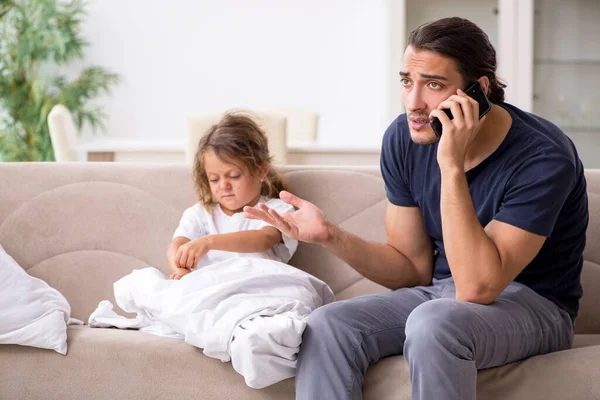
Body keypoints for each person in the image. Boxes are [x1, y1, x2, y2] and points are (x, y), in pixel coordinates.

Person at [244, 17, 589, 400]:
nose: (414, 103)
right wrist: (330, 235)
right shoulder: (403, 139)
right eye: (408, 82)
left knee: (434, 322)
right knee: (327, 323)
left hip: (536, 306)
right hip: (441, 294)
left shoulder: (543, 156)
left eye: (434, 85)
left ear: (479, 91)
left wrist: (451, 165)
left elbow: (477, 287)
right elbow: (411, 268)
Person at [167, 112, 297, 280]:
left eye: (234, 176)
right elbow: (176, 246)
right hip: (211, 287)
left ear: (261, 171)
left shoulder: (276, 209)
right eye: (214, 179)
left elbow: (265, 239)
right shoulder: (199, 214)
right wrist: (182, 273)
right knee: (140, 281)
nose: (224, 185)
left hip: (258, 287)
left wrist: (208, 242)